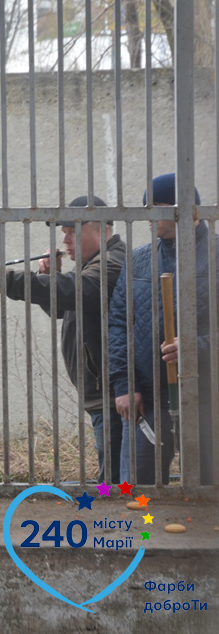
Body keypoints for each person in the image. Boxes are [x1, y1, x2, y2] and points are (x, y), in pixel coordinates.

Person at [0, 195, 126, 484]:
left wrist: (5, 280)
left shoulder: (113, 262)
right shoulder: (94, 263)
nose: (66, 239)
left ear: (103, 229)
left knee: (117, 480)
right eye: (64, 233)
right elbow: (64, 307)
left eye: (73, 231)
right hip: (101, 390)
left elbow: (77, 291)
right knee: (113, 473)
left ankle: (119, 525)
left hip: (114, 392)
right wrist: (54, 275)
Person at [108, 173, 217, 486]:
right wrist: (124, 384)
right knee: (138, 491)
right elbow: (119, 324)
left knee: (208, 491)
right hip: (149, 401)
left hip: (208, 400)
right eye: (146, 209)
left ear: (186, 210)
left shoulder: (216, 255)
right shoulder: (139, 261)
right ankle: (146, 537)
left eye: (156, 208)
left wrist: (197, 346)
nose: (149, 216)